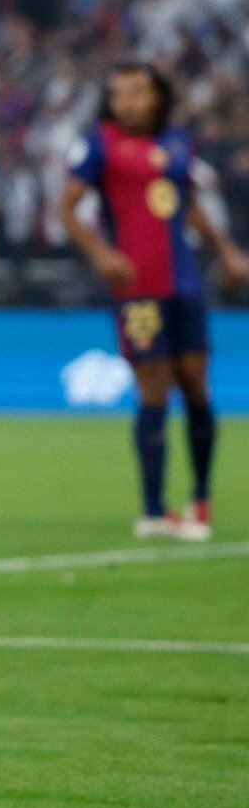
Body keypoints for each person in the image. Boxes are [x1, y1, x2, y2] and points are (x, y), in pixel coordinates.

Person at [58, 63, 247, 541]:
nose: (127, 102)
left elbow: (189, 205)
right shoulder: (98, 143)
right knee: (153, 386)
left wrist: (225, 250)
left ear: (157, 96)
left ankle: (200, 498)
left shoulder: (178, 141)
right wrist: (101, 253)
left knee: (197, 385)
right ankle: (153, 508)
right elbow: (67, 206)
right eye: (118, 94)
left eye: (137, 92)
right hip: (136, 288)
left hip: (184, 285)